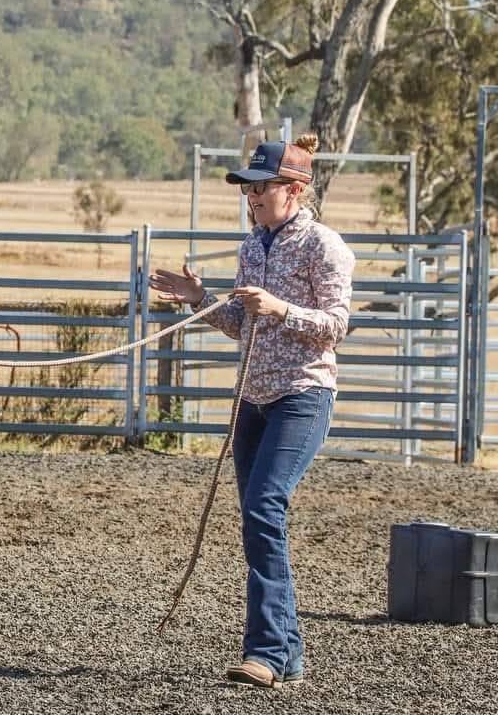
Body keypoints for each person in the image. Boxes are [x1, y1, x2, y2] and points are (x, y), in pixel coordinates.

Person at [149, 134, 355, 688]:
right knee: (259, 516)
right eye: (249, 188)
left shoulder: (324, 247)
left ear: (294, 190)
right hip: (253, 399)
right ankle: (285, 653)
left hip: (302, 395)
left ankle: (264, 650)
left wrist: (282, 308)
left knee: (264, 507)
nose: (252, 197)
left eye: (260, 187)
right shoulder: (251, 247)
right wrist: (200, 300)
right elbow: (244, 328)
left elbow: (336, 326)